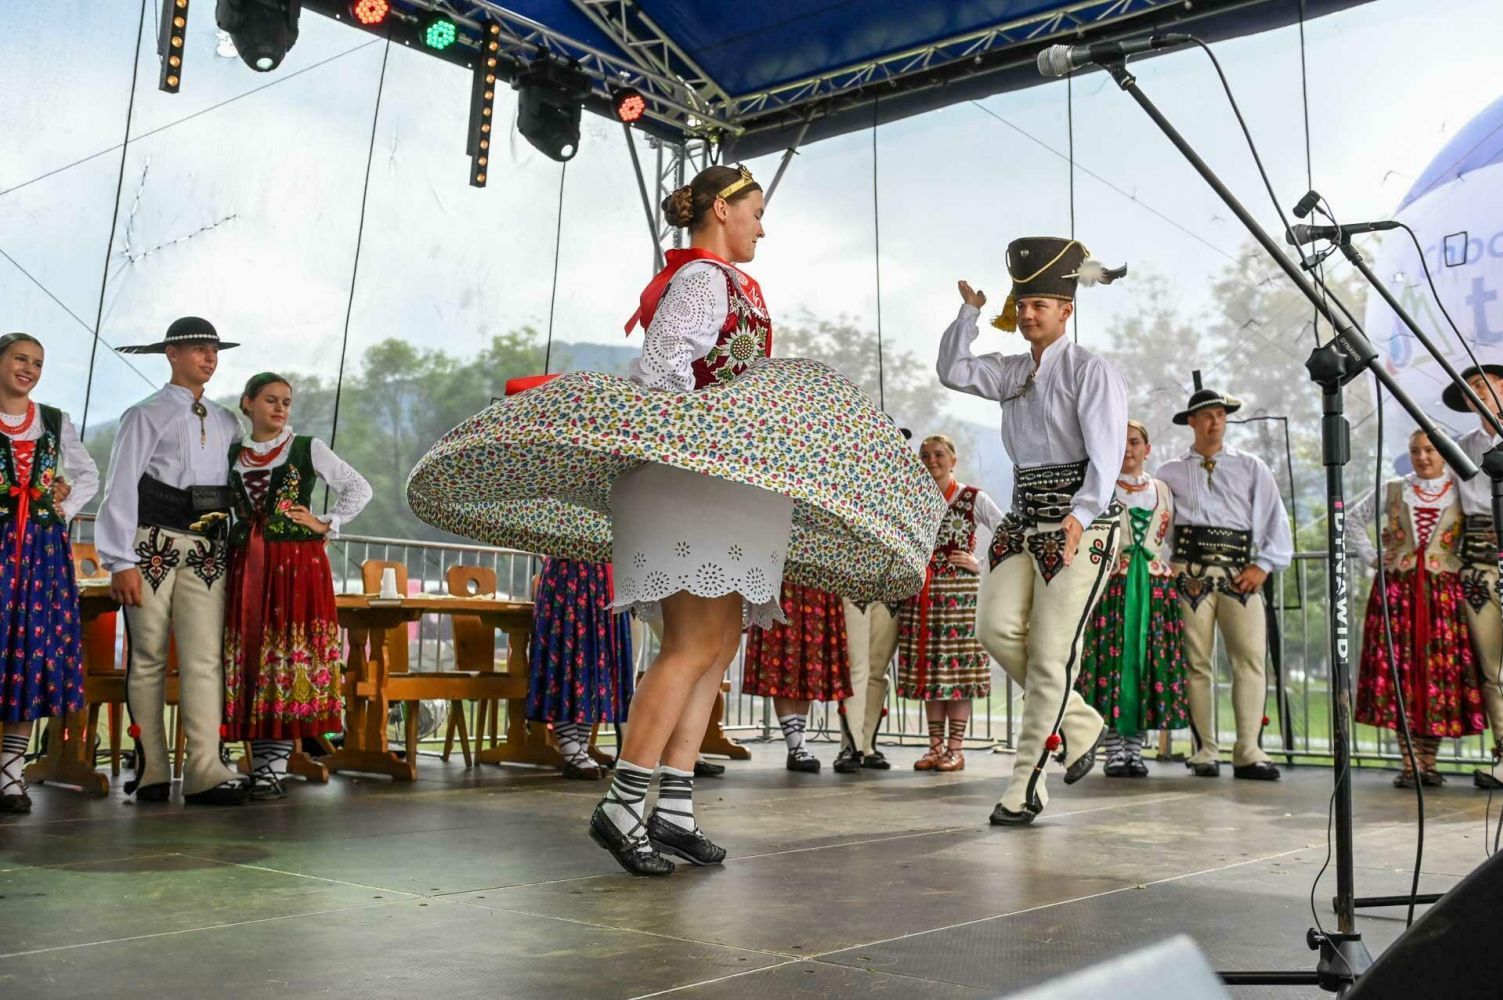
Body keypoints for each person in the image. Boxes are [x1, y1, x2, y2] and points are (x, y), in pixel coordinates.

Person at [407, 163, 942, 875]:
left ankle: (675, 808)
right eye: (755, 212)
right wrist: (720, 438)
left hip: (725, 483)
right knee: (690, 646)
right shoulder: (700, 280)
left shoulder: (725, 283)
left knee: (714, 649)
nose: (762, 227)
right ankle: (624, 803)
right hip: (695, 480)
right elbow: (661, 371)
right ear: (722, 210)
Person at [937, 236, 1128, 826]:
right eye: (1021, 305)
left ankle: (1024, 785)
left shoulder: (1091, 371)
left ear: (1066, 309)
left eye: (1038, 304)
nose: (1026, 314)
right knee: (993, 628)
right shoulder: (1012, 370)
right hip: (1023, 518)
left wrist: (1080, 516)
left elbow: (1107, 457)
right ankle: (1080, 720)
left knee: (1049, 655)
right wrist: (970, 314)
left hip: (1080, 521)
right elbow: (953, 370)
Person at [98, 317, 249, 805]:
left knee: (205, 658)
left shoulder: (228, 421)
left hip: (207, 548)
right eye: (199, 348)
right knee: (148, 657)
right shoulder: (144, 415)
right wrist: (119, 560)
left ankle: (205, 767)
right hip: (151, 544)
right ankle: (152, 770)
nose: (210, 357)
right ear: (171, 354)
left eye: (214, 350)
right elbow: (121, 486)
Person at [221, 373, 371, 798]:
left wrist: (325, 522)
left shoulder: (307, 447)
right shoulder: (232, 453)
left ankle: (272, 769)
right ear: (247, 403)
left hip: (295, 565)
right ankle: (258, 765)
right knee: (253, 659)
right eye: (270, 400)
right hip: (246, 563)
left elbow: (359, 488)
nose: (280, 408)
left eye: (286, 402)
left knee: (285, 658)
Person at [1156, 373, 1293, 781]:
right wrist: (1165, 563)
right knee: (1196, 662)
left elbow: (1275, 517)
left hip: (1240, 572)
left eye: (1220, 415)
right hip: (1189, 573)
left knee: (1250, 659)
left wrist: (1264, 564)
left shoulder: (1251, 466)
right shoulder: (1169, 471)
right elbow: (1158, 522)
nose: (1215, 422)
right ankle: (1205, 750)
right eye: (1206, 416)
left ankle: (1249, 749)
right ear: (1191, 422)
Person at [1350, 429, 1486, 787]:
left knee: (1438, 673)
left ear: (1444, 453)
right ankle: (1411, 763)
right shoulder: (1394, 488)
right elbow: (1351, 519)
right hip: (1399, 592)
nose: (1423, 457)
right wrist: (1372, 556)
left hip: (1444, 594)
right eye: (1415, 451)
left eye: (1430, 450)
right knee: (1403, 673)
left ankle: (1429, 761)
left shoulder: (1462, 489)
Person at [0, 332, 99, 814]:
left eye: (37, 363)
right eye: (20, 359)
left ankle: (9, 774)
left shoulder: (55, 421)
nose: (29, 369)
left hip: (39, 553)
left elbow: (88, 475)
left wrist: (62, 508)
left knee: (29, 653)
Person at [1075, 420, 1189, 777]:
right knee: (1112, 664)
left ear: (1147, 448)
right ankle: (1113, 751)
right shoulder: (1103, 488)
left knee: (1145, 664)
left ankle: (1135, 750)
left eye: (1135, 442)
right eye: (1122, 442)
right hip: (1114, 586)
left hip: (1154, 588)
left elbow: (1174, 538)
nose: (1128, 449)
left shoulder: (1163, 490)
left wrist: (1174, 570)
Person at [894, 434, 1002, 773]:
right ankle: (935, 747)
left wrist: (979, 563)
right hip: (923, 593)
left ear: (953, 460)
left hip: (960, 596)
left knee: (957, 672)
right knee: (933, 672)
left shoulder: (973, 497)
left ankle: (956, 748)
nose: (932, 460)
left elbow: (1006, 531)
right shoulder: (915, 499)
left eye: (939, 454)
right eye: (925, 455)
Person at [1439, 364, 1503, 789]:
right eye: (1469, 390)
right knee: (1493, 669)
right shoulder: (1460, 449)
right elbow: (1441, 502)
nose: (1476, 393)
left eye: (1482, 383)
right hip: (1479, 568)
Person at [743, 582, 851, 773]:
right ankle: (796, 745)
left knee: (808, 664)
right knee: (782, 661)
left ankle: (798, 745)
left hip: (815, 586)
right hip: (785, 586)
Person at [836, 597, 901, 771]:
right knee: (856, 669)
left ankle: (867, 747)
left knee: (878, 671)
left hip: (891, 592)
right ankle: (851, 746)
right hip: (854, 588)